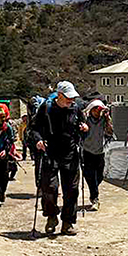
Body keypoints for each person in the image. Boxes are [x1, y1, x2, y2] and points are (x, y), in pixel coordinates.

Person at [29, 81, 88, 235]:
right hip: (50, 153)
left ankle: (68, 222)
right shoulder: (46, 108)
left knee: (72, 190)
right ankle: (51, 217)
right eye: (68, 97)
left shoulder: (76, 109)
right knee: (49, 189)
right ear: (59, 95)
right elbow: (34, 129)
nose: (71, 100)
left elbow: (82, 128)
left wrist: (84, 129)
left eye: (73, 97)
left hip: (70, 154)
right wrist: (38, 140)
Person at [81, 99, 113, 211]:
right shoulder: (86, 120)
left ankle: (93, 191)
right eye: (95, 110)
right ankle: (95, 198)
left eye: (99, 110)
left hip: (100, 152)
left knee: (99, 177)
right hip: (87, 151)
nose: (97, 112)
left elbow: (110, 132)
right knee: (90, 176)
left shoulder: (104, 120)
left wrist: (108, 119)